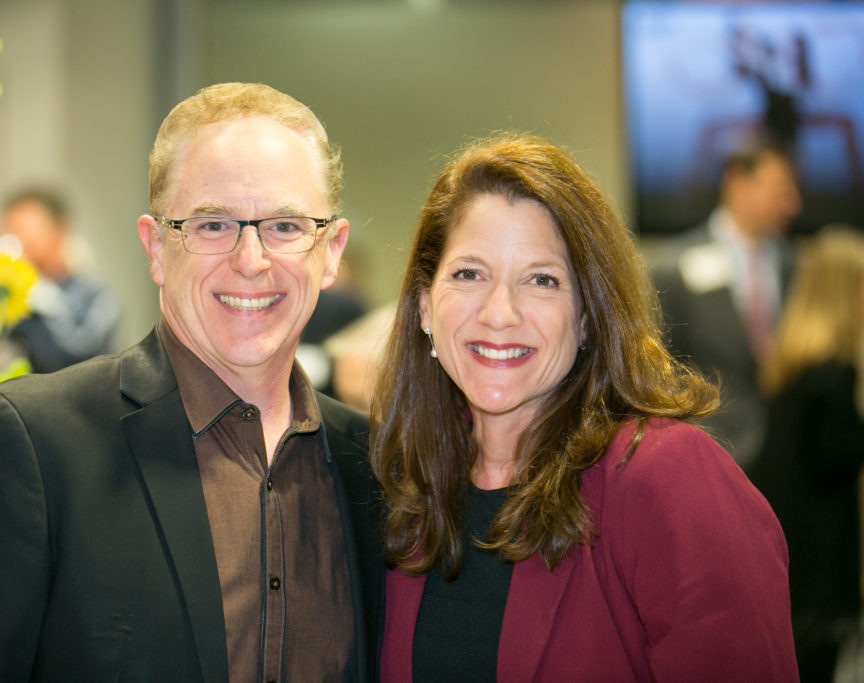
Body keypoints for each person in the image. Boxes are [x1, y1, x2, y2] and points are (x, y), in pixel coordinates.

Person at [0, 82, 381, 681]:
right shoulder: (28, 447)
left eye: (286, 226)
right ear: (156, 247)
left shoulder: (377, 466)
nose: (251, 259)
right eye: (212, 224)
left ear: (332, 250)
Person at [370, 134, 797, 681]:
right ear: (425, 307)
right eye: (469, 274)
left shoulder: (667, 477)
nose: (500, 313)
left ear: (589, 316)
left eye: (542, 280)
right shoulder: (406, 489)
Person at [748, 224, 864, 682]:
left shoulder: (792, 365)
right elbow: (839, 456)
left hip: (788, 556)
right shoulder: (832, 376)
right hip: (819, 570)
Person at [652, 145, 802, 469]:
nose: (792, 204)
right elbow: (662, 370)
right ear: (736, 184)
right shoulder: (675, 267)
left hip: (789, 462)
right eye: (779, 189)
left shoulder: (796, 266)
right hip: (713, 455)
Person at [0, 187, 120, 373]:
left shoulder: (95, 295)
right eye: (10, 232)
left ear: (60, 229)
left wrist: (49, 305)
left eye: (24, 230)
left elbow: (82, 353)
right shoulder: (19, 303)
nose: (17, 243)